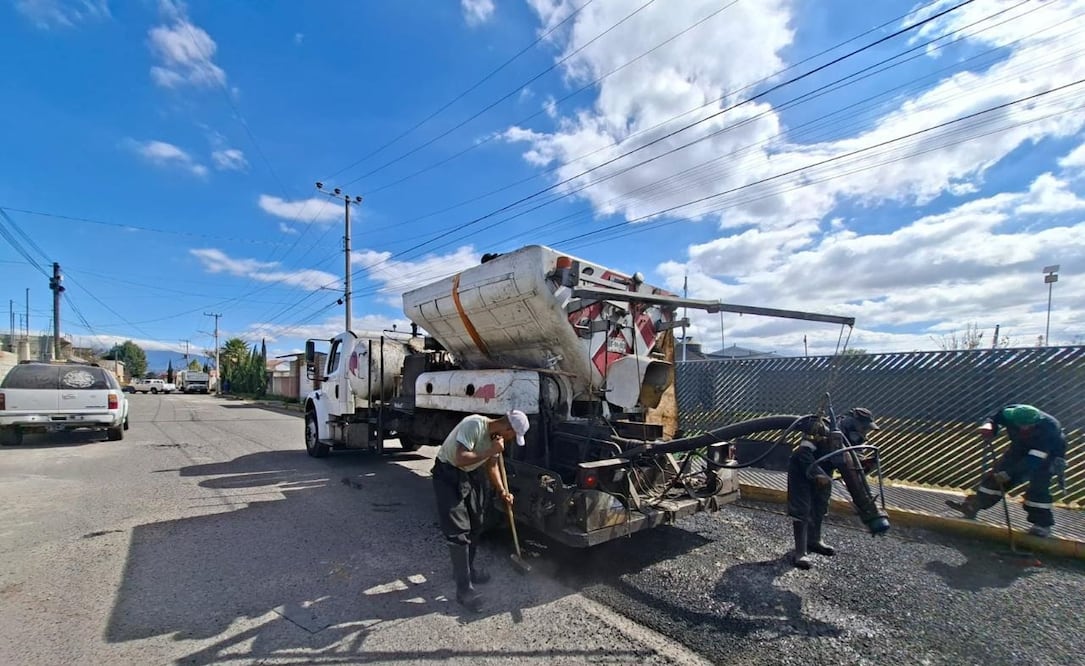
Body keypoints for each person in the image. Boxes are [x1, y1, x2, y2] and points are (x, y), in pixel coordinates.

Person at [431, 410, 529, 611]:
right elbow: (460, 458)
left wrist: (502, 491)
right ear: (508, 428)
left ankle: (468, 570)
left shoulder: (497, 438)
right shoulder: (474, 424)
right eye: (513, 435)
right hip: (448, 473)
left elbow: (492, 466)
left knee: (477, 523)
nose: (510, 440)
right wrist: (491, 450)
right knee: (459, 531)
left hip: (469, 474)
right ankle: (464, 590)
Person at [946, 404, 1068, 537]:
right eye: (1020, 425)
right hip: (1019, 448)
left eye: (1027, 426)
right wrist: (989, 427)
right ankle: (973, 506)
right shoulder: (1009, 413)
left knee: (1038, 487)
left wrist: (1010, 473)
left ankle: (1042, 525)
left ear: (1036, 422)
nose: (1023, 428)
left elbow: (1034, 460)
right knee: (995, 478)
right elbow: (992, 419)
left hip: (1047, 455)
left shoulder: (1049, 428)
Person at [787, 407, 881, 569]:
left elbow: (850, 462)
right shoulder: (820, 429)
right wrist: (817, 474)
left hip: (826, 472)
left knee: (820, 506)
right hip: (802, 470)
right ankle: (800, 552)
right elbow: (803, 452)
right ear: (851, 424)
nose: (864, 434)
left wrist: (864, 466)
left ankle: (814, 540)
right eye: (863, 429)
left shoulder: (852, 441)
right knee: (802, 509)